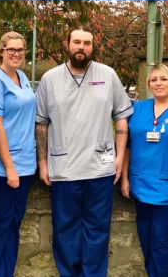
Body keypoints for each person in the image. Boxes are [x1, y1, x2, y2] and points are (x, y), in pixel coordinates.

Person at [35, 27, 133, 277]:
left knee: (97, 231)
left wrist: (120, 158)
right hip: (64, 170)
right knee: (65, 231)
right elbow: (41, 124)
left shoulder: (108, 75)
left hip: (100, 169)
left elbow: (122, 120)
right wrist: (43, 163)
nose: (82, 47)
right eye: (77, 42)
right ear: (67, 44)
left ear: (93, 46)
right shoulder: (50, 79)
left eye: (87, 43)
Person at [121, 64, 168, 277]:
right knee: (148, 246)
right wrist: (125, 178)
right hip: (140, 189)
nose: (158, 83)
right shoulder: (137, 109)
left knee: (164, 249)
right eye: (154, 80)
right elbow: (127, 146)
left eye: (163, 79)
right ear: (148, 84)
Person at [0, 31, 37, 276]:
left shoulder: (22, 77)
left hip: (25, 166)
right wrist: (9, 167)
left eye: (21, 50)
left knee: (13, 225)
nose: (16, 54)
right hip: (2, 170)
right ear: (1, 51)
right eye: (11, 49)